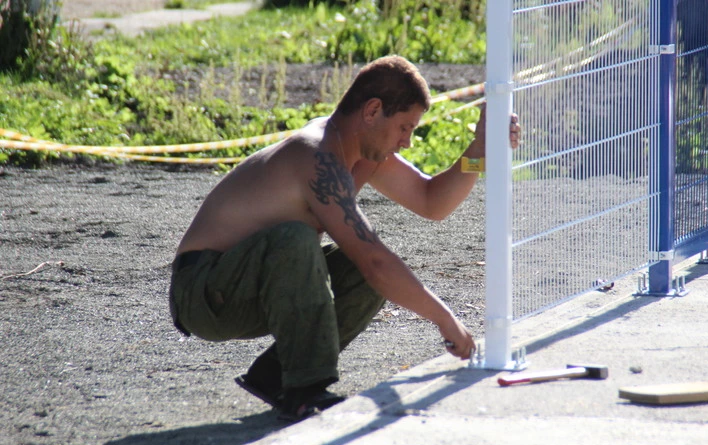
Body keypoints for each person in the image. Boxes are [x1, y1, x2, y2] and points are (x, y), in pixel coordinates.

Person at [168, 55, 521, 421]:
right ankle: (305, 390)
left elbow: (433, 202)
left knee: (355, 266)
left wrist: (480, 151)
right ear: (372, 111)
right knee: (304, 241)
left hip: (247, 287)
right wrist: (445, 318)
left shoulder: (363, 152)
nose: (408, 142)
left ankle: (276, 377)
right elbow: (375, 260)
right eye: (404, 127)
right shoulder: (316, 154)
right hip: (202, 293)